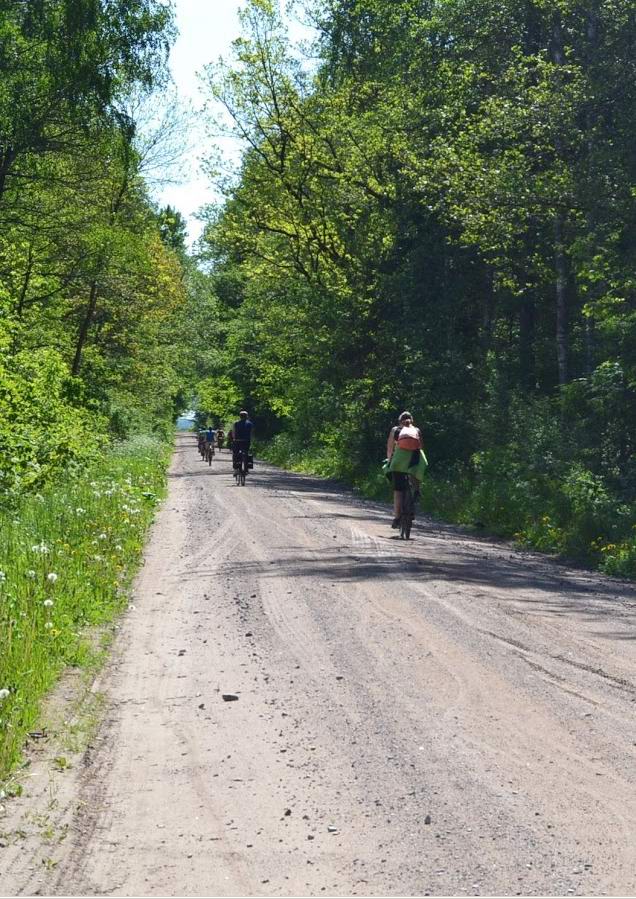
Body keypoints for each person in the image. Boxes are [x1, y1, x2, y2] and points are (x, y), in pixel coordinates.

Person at [384, 411, 428, 528]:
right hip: (414, 461)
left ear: (399, 421)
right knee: (416, 474)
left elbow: (389, 448)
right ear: (412, 421)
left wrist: (389, 461)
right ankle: (417, 490)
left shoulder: (395, 430)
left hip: (398, 462)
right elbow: (421, 448)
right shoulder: (416, 430)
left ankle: (397, 518)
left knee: (398, 491)